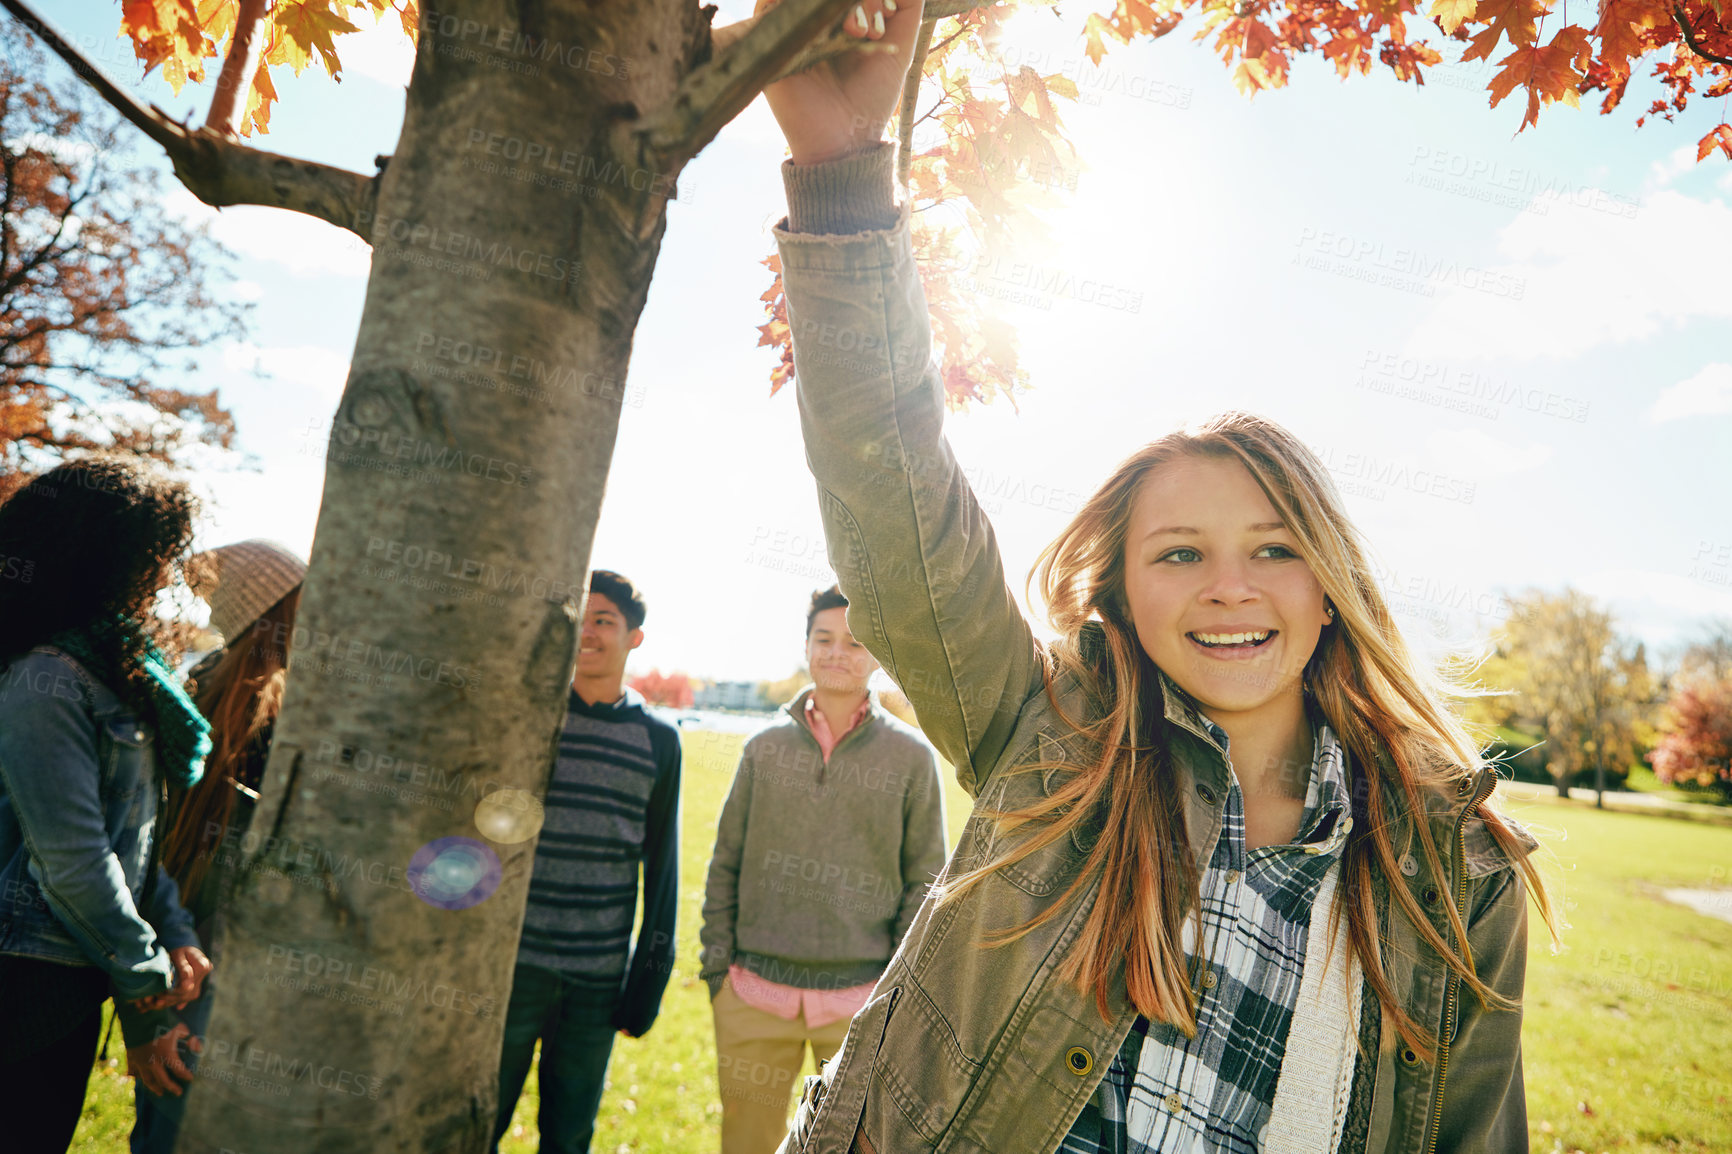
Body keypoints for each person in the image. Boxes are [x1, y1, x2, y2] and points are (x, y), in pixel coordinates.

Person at [755, 5, 1557, 1153]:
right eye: (1178, 553)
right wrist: (839, 176)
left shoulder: (1453, 868)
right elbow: (891, 492)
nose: (1230, 586)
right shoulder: (1048, 734)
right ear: (1122, 594)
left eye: (1274, 548)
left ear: (1328, 587)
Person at [0, 456, 213, 1154]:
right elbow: (73, 861)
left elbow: (134, 837)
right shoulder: (44, 680)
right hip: (23, 982)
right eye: (153, 558)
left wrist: (174, 928)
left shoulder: (117, 672)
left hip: (68, 980)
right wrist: (148, 986)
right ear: (100, 555)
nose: (160, 578)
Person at [699, 584, 947, 1154]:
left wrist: (891, 999)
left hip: (860, 1005)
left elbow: (925, 885)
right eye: (824, 639)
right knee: (746, 1144)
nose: (837, 653)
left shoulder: (912, 759)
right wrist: (718, 974)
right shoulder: (762, 749)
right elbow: (724, 864)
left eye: (855, 642)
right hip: (753, 996)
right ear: (806, 645)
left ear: (878, 655)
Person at [124, 539, 306, 1154]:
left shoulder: (205, 679)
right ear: (287, 605)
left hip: (187, 924)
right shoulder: (294, 702)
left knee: (173, 1100)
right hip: (242, 935)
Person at [491, 571, 682, 1154]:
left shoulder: (658, 740)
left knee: (569, 1135)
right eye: (583, 619)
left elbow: (663, 869)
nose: (590, 633)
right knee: (477, 1120)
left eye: (605, 620)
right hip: (513, 968)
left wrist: (646, 981)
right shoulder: (533, 722)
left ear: (634, 638)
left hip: (597, 979)